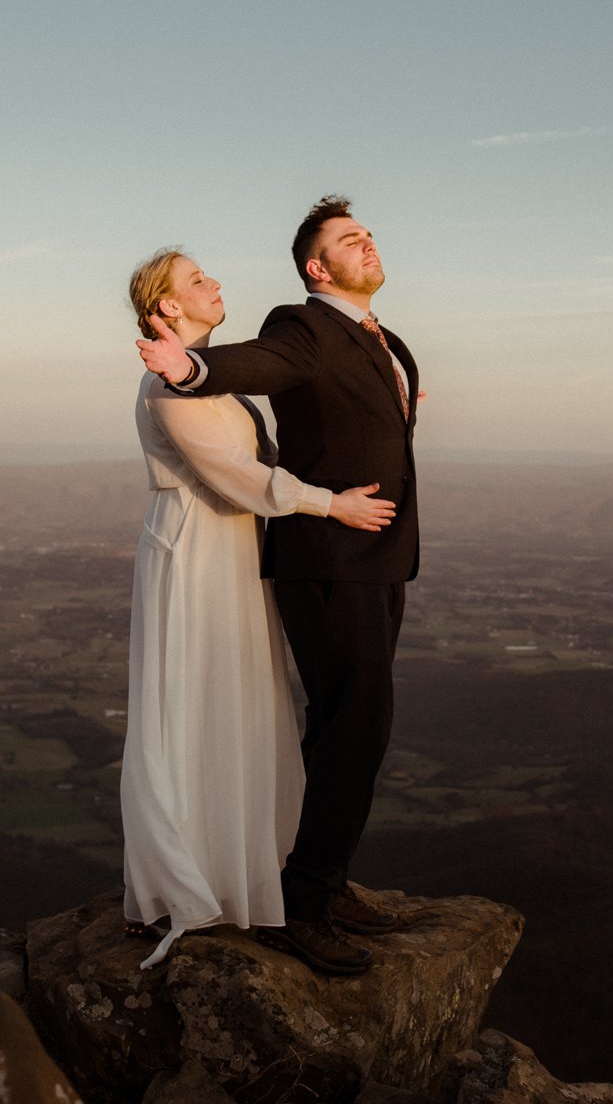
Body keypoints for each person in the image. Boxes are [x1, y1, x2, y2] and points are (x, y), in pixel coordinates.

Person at [135, 195, 419, 976]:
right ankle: (304, 900)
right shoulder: (301, 325)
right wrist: (192, 365)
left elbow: (321, 401)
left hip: (363, 551)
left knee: (336, 723)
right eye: (348, 238)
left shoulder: (379, 337)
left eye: (369, 232)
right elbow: (261, 364)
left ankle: (312, 879)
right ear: (315, 266)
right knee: (356, 721)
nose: (367, 242)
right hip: (318, 550)